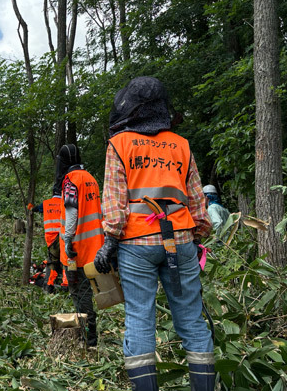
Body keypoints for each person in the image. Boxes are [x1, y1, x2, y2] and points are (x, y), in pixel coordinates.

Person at [95, 76, 214, 391]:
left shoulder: (119, 144)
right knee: (192, 321)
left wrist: (109, 241)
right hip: (181, 241)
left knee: (139, 319)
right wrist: (196, 236)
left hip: (136, 245)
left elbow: (114, 199)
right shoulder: (181, 145)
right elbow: (198, 204)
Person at [57, 143, 103, 348]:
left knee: (80, 294)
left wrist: (68, 242)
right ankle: (87, 337)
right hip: (94, 247)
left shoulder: (70, 181)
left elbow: (72, 213)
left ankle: (88, 340)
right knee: (85, 292)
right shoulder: (90, 179)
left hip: (77, 250)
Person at [29, 190, 68, 293]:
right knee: (66, 260)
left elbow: (36, 209)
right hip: (64, 237)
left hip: (52, 240)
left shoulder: (46, 204)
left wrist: (30, 208)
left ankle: (49, 285)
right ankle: (66, 285)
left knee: (52, 262)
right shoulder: (66, 202)